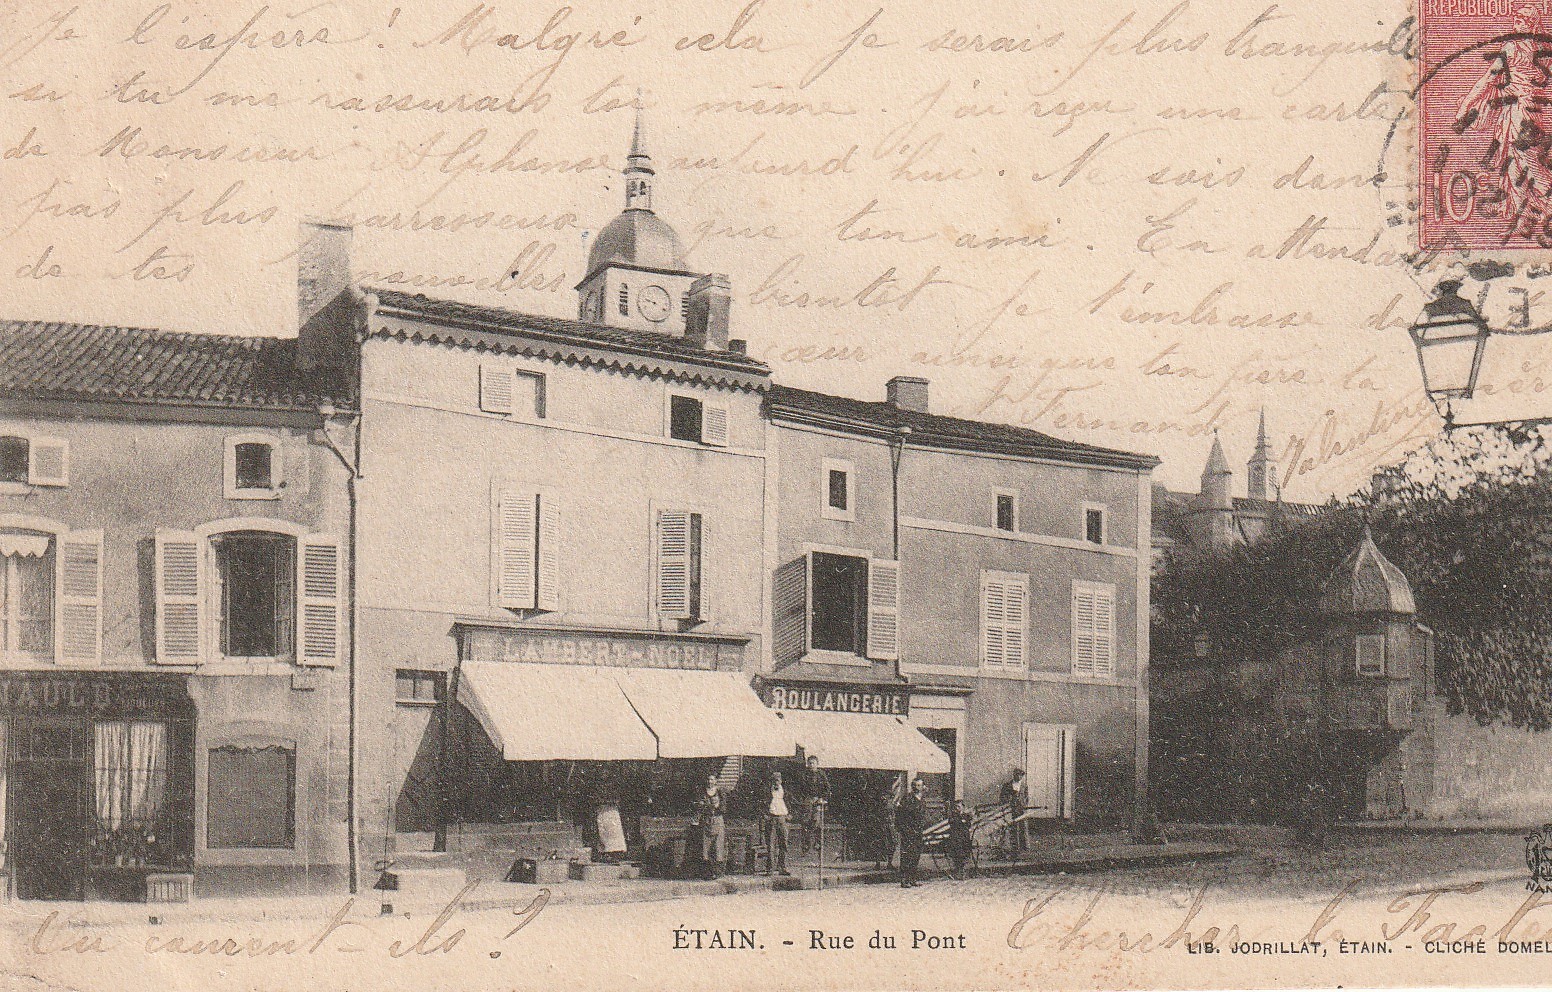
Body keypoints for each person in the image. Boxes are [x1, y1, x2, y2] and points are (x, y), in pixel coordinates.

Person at [895, 777, 928, 888]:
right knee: (907, 855)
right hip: (908, 831)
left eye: (919, 785)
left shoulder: (922, 799)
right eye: (915, 785)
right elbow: (900, 814)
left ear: (923, 787)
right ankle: (904, 880)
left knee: (916, 855)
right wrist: (903, 829)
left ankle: (913, 878)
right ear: (912, 786)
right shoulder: (907, 798)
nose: (917, 787)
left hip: (918, 831)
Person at [799, 755, 831, 859]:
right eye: (810, 763)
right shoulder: (804, 774)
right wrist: (805, 799)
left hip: (818, 800)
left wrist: (822, 798)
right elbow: (801, 788)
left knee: (817, 822)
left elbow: (827, 788)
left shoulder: (821, 774)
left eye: (813, 763)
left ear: (817, 764)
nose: (811, 765)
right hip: (808, 800)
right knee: (805, 822)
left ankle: (818, 843)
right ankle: (806, 844)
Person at [696, 773, 726, 879]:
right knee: (706, 847)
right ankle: (707, 873)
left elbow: (723, 808)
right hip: (706, 821)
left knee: (718, 847)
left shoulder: (720, 792)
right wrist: (710, 807)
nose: (710, 782)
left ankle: (718, 872)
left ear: (716, 781)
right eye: (708, 779)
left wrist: (716, 807)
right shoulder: (702, 792)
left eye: (712, 779)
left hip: (718, 821)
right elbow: (699, 806)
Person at [764, 770, 791, 876]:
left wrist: (790, 814)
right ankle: (770, 868)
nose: (776, 782)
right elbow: (761, 803)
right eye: (774, 780)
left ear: (781, 781)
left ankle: (782, 867)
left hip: (782, 819)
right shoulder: (767, 792)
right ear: (771, 781)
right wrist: (765, 815)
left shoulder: (785, 792)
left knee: (783, 843)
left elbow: (791, 802)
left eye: (778, 780)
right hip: (771, 819)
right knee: (771, 844)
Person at [1001, 768, 1028, 855]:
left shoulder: (1024, 786)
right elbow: (1002, 797)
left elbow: (1026, 797)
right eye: (1017, 775)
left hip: (1021, 809)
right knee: (1013, 828)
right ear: (1014, 775)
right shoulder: (1007, 785)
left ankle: (1025, 846)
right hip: (1011, 809)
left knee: (1023, 827)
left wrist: (1024, 805)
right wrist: (1008, 801)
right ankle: (1015, 846)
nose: (1019, 777)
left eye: (1021, 775)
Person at [947, 798, 974, 880]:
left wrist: (963, 821)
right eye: (956, 807)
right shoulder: (954, 816)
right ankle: (956, 873)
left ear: (963, 807)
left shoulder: (966, 816)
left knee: (964, 856)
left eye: (959, 807)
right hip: (956, 838)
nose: (957, 809)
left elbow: (968, 824)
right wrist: (961, 822)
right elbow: (952, 823)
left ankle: (963, 873)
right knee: (957, 856)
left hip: (964, 838)